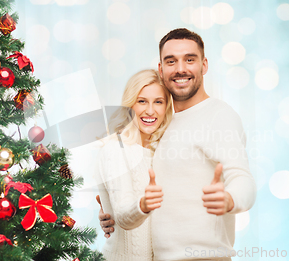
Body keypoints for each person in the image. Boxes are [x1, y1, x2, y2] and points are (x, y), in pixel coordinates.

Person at [98, 28, 257, 261]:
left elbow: (243, 178)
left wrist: (230, 199)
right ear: (161, 70)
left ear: (204, 65)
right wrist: (110, 213)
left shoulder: (218, 116)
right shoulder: (162, 124)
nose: (180, 68)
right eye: (171, 61)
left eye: (189, 59)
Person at [95, 69, 173, 261]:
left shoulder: (160, 152)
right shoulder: (115, 149)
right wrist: (143, 205)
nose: (150, 110)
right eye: (142, 101)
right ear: (130, 105)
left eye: (158, 102)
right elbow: (122, 216)